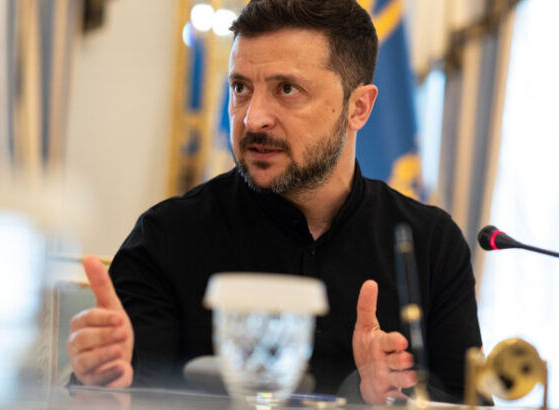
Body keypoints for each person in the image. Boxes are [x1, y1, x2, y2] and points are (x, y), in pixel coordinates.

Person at [66, 0, 482, 404]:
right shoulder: (167, 236)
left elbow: (466, 399)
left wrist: (392, 398)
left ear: (358, 107)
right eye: (240, 88)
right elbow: (122, 387)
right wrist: (108, 384)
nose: (253, 118)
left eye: (287, 89)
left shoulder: (431, 242)